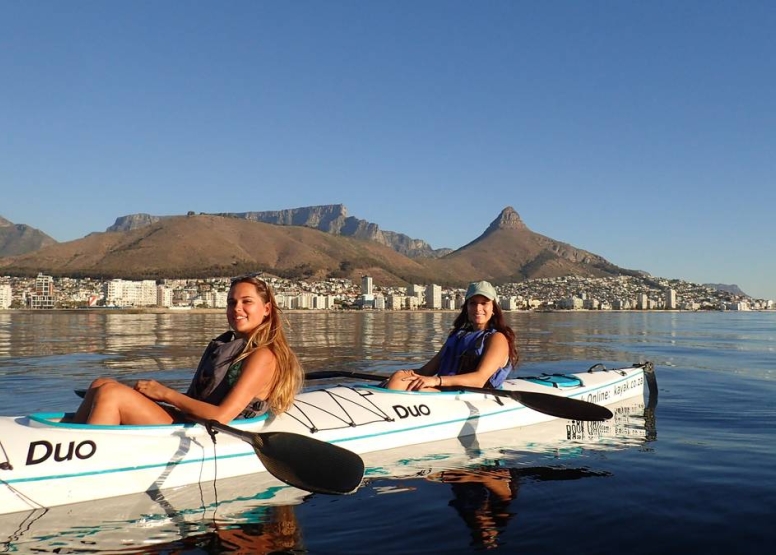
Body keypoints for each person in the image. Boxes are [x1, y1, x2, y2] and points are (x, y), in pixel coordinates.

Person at [71, 275, 304, 425]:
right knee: (100, 384)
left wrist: (164, 393)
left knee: (111, 394)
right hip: (193, 421)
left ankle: (85, 460)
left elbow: (222, 416)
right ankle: (69, 441)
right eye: (231, 302)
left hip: (212, 433)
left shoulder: (263, 355)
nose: (237, 309)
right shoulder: (236, 345)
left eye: (246, 301)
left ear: (266, 309)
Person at [384, 280, 518, 391]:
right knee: (398, 378)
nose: (478, 308)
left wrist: (436, 380)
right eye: (473, 303)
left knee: (398, 384)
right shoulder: (458, 336)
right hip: (446, 393)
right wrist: (402, 374)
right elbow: (426, 370)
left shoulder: (497, 338)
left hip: (471, 396)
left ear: (493, 308)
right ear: (466, 307)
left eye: (484, 303)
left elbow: (479, 379)